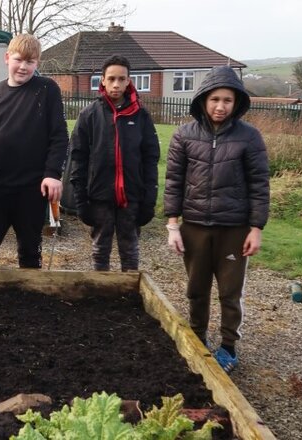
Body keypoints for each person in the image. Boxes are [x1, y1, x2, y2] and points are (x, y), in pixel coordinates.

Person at [163, 65, 270, 373]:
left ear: (236, 103)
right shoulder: (184, 135)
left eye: (227, 100)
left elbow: (259, 184)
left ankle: (228, 347)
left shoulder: (249, 137)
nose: (220, 106)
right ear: (202, 100)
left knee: (229, 292)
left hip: (234, 229)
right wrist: (173, 225)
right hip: (195, 226)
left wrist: (256, 228)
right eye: (214, 99)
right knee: (196, 289)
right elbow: (173, 181)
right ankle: (197, 338)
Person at [0, 33, 68, 268]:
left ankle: (29, 300)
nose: (23, 67)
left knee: (30, 251)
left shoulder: (46, 89)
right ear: (7, 58)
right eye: (18, 59)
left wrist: (52, 174)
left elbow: (59, 136)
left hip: (31, 188)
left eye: (30, 62)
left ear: (37, 64)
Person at [69, 55, 160, 272]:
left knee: (130, 250)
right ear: (102, 80)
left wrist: (149, 199)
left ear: (129, 81)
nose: (116, 84)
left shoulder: (141, 116)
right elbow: (78, 158)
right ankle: (101, 293)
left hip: (131, 196)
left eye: (121, 79)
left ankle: (129, 294)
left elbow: (150, 159)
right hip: (100, 195)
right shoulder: (89, 115)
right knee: (100, 250)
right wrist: (81, 201)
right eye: (111, 79)